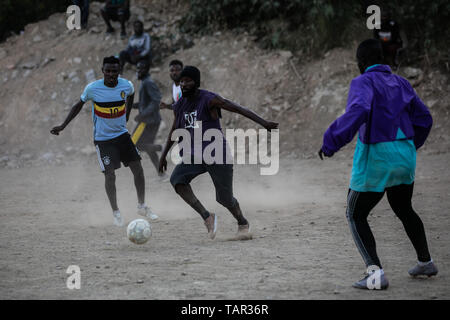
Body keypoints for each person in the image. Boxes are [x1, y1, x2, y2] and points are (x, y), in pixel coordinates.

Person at [318, 39, 437, 290]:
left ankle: (375, 273)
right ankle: (425, 261)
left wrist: (331, 141)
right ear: (383, 60)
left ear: (360, 64)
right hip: (404, 154)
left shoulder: (362, 81)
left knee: (355, 213)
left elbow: (359, 109)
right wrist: (408, 146)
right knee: (404, 208)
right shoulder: (401, 82)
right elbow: (425, 119)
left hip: (376, 156)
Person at [158, 66, 278, 239]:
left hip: (216, 153)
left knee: (224, 199)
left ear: (196, 83)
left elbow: (238, 108)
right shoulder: (180, 105)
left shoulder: (209, 99)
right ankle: (207, 217)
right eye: (182, 81)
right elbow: (174, 129)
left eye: (188, 81)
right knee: (177, 180)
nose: (184, 84)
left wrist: (264, 123)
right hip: (195, 154)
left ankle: (242, 222)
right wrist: (163, 156)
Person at [50, 56, 158, 226]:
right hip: (103, 140)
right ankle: (116, 212)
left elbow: (130, 95)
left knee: (138, 168)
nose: (111, 74)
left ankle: (142, 206)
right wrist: (63, 126)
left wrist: (127, 114)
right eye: (107, 71)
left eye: (114, 71)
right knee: (110, 175)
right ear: (102, 71)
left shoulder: (126, 85)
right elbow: (78, 105)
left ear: (119, 71)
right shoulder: (93, 89)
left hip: (122, 135)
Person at [131, 60, 166, 180]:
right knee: (148, 147)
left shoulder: (148, 83)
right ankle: (162, 174)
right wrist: (131, 105)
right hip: (148, 120)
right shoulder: (144, 82)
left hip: (149, 121)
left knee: (135, 144)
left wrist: (142, 115)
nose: (138, 72)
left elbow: (156, 101)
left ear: (146, 70)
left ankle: (161, 147)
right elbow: (145, 102)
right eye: (137, 69)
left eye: (141, 69)